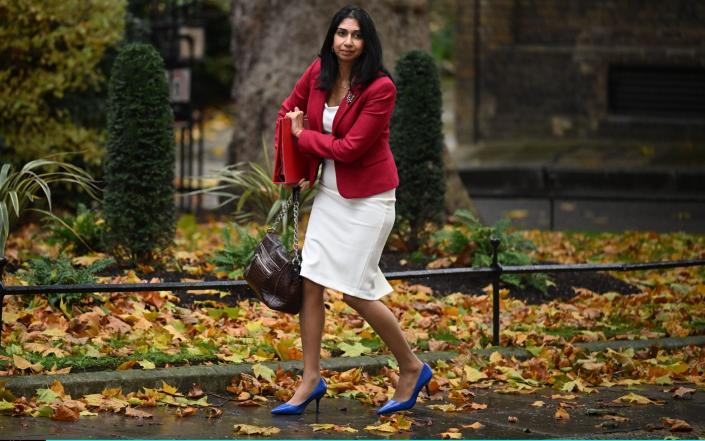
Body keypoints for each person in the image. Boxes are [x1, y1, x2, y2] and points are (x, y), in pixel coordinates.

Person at [270, 5, 432, 416]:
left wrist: (304, 138)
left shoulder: (380, 88)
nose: (347, 41)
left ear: (367, 42)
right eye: (341, 33)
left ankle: (412, 367)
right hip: (329, 195)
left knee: (356, 292)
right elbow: (288, 112)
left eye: (356, 35)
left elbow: (351, 148)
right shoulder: (318, 72)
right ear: (331, 37)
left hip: (369, 201)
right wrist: (296, 162)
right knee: (311, 282)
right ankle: (310, 379)